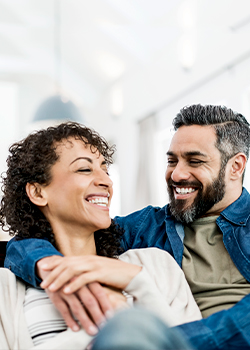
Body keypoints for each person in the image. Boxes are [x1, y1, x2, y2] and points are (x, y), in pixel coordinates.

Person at [4, 104, 250, 349]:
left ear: (236, 166)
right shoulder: (149, 227)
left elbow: (243, 325)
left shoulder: (152, 266)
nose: (176, 175)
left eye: (195, 161)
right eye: (172, 161)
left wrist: (136, 330)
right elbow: (41, 237)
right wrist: (48, 266)